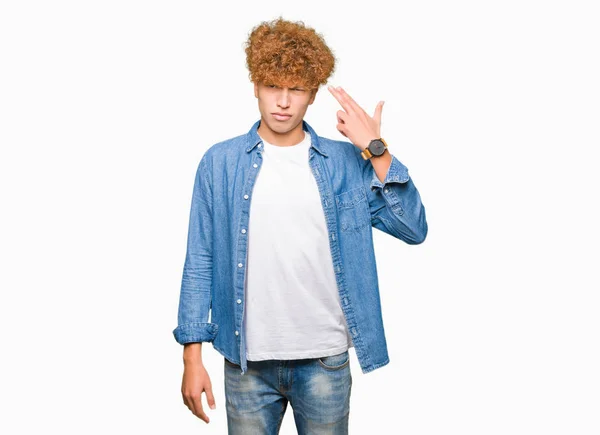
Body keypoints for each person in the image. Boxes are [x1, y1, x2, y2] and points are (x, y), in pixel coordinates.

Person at [173, 17, 428, 434]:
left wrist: (376, 151)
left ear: (312, 94)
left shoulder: (346, 163)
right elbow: (199, 260)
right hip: (246, 363)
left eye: (297, 89)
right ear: (256, 84)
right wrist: (191, 357)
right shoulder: (219, 163)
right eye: (274, 85)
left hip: (325, 362)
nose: (283, 101)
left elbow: (413, 229)